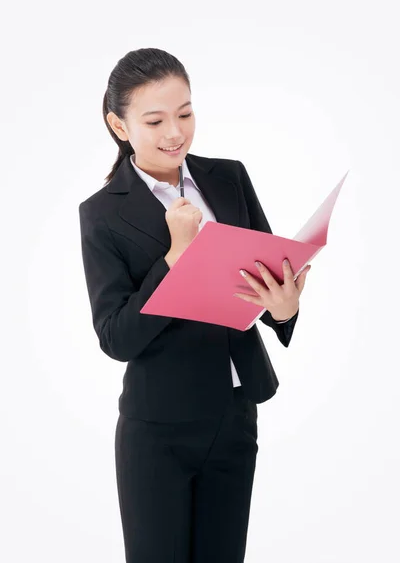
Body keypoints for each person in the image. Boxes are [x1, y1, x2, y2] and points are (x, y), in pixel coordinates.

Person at [78, 47, 310, 563]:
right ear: (119, 125)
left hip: (235, 412)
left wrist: (286, 308)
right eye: (155, 119)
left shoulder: (229, 177)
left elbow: (268, 277)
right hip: (158, 428)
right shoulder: (101, 214)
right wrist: (176, 257)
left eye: (185, 113)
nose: (175, 133)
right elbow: (115, 337)